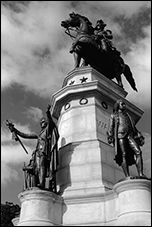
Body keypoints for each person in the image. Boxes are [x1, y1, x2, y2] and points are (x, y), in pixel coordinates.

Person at [10, 104, 59, 190]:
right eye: (41, 122)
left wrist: (48, 113)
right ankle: (38, 183)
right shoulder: (39, 134)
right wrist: (15, 130)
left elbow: (51, 122)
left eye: (43, 122)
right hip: (38, 152)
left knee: (43, 166)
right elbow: (26, 135)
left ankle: (42, 183)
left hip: (45, 151)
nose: (42, 123)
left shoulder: (48, 130)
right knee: (39, 168)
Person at [107, 99, 146, 178]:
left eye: (124, 104)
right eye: (122, 104)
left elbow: (133, 127)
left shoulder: (128, 116)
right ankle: (127, 176)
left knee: (138, 152)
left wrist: (139, 134)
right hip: (120, 135)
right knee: (123, 154)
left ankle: (141, 174)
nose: (124, 105)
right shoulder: (114, 116)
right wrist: (110, 136)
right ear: (118, 105)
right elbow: (111, 127)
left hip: (130, 135)